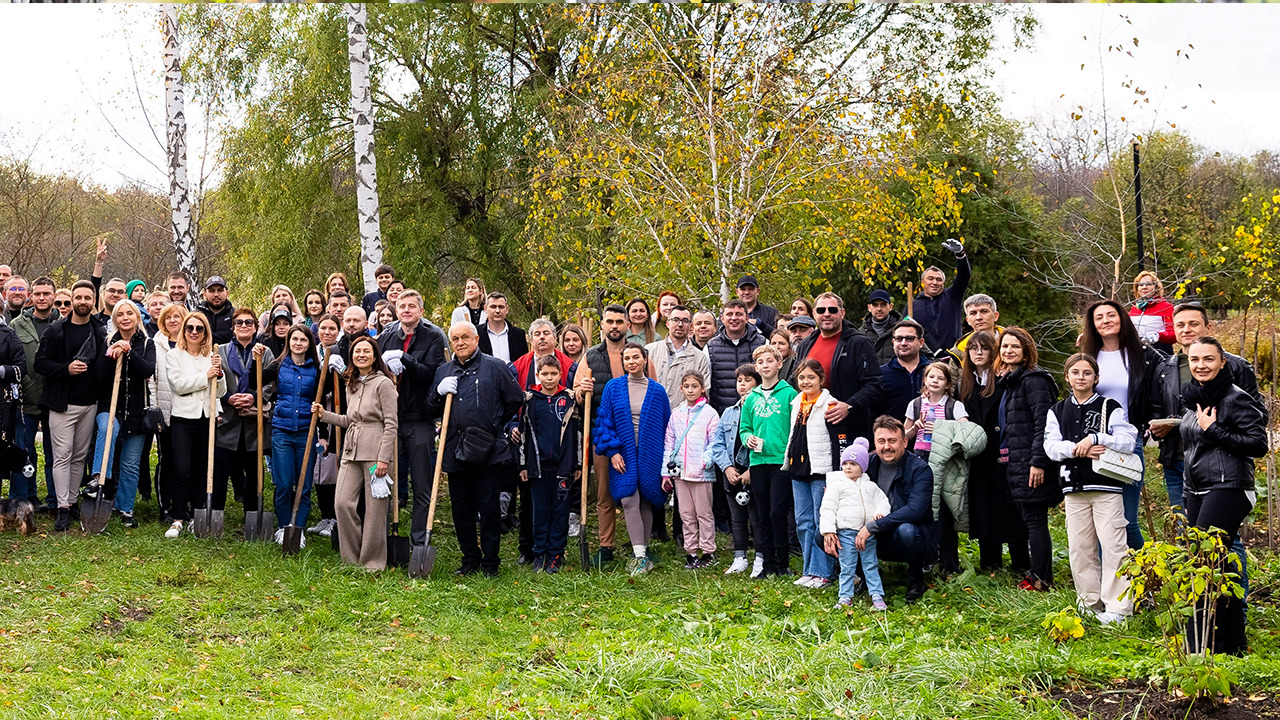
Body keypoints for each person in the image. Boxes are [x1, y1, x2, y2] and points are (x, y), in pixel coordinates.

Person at [1179, 336, 1266, 656]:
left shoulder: (1234, 398)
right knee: (1220, 566)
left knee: (1202, 562)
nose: (1201, 365)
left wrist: (1214, 430)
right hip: (1198, 489)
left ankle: (1199, 646)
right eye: (1195, 360)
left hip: (1229, 487)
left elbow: (1258, 444)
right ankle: (1231, 644)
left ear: (1222, 362)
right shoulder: (1193, 398)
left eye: (1209, 359)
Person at [1044, 353, 1138, 625]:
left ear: (1096, 378)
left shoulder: (1110, 406)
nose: (1081, 377)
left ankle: (1118, 608)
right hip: (1073, 488)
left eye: (1087, 373)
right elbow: (1051, 447)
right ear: (1067, 377)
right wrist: (1078, 448)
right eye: (1075, 372)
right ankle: (1089, 602)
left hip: (1107, 486)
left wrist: (1098, 437)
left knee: (1113, 547)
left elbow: (1127, 440)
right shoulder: (1058, 410)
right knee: (1080, 548)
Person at [428, 321, 523, 577]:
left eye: (465, 337)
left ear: (476, 339)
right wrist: (438, 392)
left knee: (489, 508)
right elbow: (431, 408)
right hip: (455, 449)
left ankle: (491, 562)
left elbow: (514, 399)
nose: (459, 342)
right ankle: (470, 559)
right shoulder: (444, 371)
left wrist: (495, 426)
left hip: (488, 451)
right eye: (455, 338)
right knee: (461, 509)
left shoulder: (495, 367)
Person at [1081, 299, 1165, 551]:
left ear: (1122, 319)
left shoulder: (1144, 355)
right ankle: (1109, 583)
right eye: (1099, 317)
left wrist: (1154, 422)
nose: (1106, 321)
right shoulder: (1087, 357)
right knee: (1099, 521)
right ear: (1093, 325)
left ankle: (1146, 580)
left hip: (1128, 441)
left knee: (1126, 520)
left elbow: (1157, 393)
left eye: (1111, 315)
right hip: (1092, 441)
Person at [314, 335, 398, 570]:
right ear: (351, 356)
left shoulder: (384, 383)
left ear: (374, 356)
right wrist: (324, 415)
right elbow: (349, 419)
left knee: (374, 511)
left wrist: (384, 458)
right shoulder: (352, 383)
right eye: (357, 351)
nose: (361, 355)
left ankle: (372, 562)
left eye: (366, 351)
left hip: (375, 453)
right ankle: (350, 560)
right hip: (351, 451)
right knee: (342, 503)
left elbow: (391, 423)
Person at [508, 318, 588, 564]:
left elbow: (577, 426)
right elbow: (512, 407)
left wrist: (577, 464)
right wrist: (512, 426)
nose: (542, 338)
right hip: (534, 457)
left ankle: (556, 553)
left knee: (559, 510)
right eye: (537, 334)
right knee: (533, 508)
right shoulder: (520, 375)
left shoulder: (571, 371)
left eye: (547, 333)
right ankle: (532, 551)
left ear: (555, 338)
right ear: (530, 339)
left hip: (563, 461)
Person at [593, 342, 672, 576]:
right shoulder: (613, 387)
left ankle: (643, 552)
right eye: (627, 358)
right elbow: (604, 422)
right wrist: (613, 452)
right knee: (628, 498)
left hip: (651, 453)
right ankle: (639, 556)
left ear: (645, 360)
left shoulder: (657, 391)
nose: (631, 362)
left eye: (636, 357)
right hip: (622, 453)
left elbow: (666, 426)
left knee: (646, 499)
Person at [378, 290, 447, 545]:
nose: (406, 310)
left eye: (411, 306)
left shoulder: (433, 337)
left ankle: (420, 540)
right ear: (396, 311)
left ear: (421, 311)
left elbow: (431, 374)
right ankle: (383, 536)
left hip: (419, 418)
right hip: (390, 419)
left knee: (421, 483)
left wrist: (404, 358)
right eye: (401, 306)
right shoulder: (386, 336)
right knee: (384, 479)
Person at [36, 280, 104, 532]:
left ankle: (73, 501)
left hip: (90, 404)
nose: (83, 301)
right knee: (62, 456)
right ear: (71, 300)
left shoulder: (99, 330)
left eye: (88, 297)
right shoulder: (55, 331)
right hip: (62, 405)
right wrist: (66, 369)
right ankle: (62, 508)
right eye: (79, 297)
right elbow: (40, 364)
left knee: (78, 457)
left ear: (93, 301)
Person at [996, 327, 1060, 592]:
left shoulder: (1034, 380)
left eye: (1015, 346)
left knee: (1036, 521)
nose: (1008, 350)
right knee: (1030, 519)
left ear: (1026, 351)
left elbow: (1043, 424)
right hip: (1018, 462)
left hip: (1032, 462)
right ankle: (1040, 575)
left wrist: (1038, 462)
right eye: (1004, 346)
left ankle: (1040, 580)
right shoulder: (1013, 381)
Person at [957, 330, 1027, 573]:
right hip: (978, 456)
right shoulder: (964, 384)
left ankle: (1021, 563)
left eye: (984, 348)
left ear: (993, 352)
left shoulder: (1004, 379)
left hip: (1004, 451)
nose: (978, 353)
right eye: (973, 348)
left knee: (1009, 507)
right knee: (983, 507)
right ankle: (990, 565)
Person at [89, 301, 156, 528]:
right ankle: (98, 478)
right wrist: (112, 352)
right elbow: (98, 376)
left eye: (130, 314)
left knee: (130, 463)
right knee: (107, 428)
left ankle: (125, 507)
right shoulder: (105, 340)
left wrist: (128, 352)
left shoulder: (147, 343)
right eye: (120, 315)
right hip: (110, 407)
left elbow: (147, 370)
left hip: (136, 412)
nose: (125, 318)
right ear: (115, 319)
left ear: (137, 317)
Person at [163, 312, 228, 538]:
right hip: (183, 419)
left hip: (206, 419)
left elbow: (221, 392)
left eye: (199, 329)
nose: (193, 332)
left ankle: (196, 515)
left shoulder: (211, 356)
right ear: (184, 331)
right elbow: (178, 385)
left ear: (205, 333)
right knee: (182, 469)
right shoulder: (174, 356)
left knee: (202, 469)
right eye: (190, 328)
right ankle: (178, 517)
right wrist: (206, 377)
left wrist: (218, 375)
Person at [255, 324, 322, 545]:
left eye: (303, 340)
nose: (298, 343)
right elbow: (253, 380)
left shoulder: (316, 370)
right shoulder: (279, 365)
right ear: (288, 342)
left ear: (309, 343)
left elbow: (331, 391)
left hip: (306, 432)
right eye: (295, 340)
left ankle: (298, 529)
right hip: (282, 431)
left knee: (303, 485)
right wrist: (255, 362)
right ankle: (284, 526)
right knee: (284, 483)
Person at [791, 292, 883, 443]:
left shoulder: (859, 343)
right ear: (814, 314)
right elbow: (794, 382)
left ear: (842, 313)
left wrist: (849, 406)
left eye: (832, 310)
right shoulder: (805, 345)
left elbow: (874, 385)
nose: (826, 314)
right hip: (810, 428)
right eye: (821, 310)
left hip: (848, 429)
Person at [739, 344, 798, 578]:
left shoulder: (789, 394)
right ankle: (766, 563)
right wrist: (748, 439)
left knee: (777, 513)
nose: (765, 366)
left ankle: (782, 562)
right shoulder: (750, 398)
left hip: (781, 462)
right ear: (756, 367)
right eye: (761, 362)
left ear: (779, 364)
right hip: (758, 462)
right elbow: (744, 428)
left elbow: (795, 427)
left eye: (769, 361)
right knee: (762, 514)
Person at [782, 358, 841, 589]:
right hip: (798, 468)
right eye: (802, 378)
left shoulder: (830, 404)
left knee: (821, 522)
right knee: (803, 521)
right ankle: (809, 569)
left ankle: (823, 571)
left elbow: (838, 441)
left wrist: (835, 475)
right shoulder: (797, 402)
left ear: (821, 380)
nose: (806, 382)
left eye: (811, 377)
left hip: (821, 471)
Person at [862, 416, 933, 602]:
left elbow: (915, 510)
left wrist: (873, 526)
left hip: (906, 537)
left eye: (892, 441)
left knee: (907, 530)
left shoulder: (920, 469)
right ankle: (866, 576)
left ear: (905, 441)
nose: (887, 447)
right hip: (875, 536)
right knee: (824, 536)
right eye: (881, 441)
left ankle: (916, 579)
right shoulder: (866, 466)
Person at [582, 305, 630, 564]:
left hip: (633, 432)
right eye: (610, 321)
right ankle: (606, 545)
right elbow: (577, 392)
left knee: (636, 490)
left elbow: (653, 387)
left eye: (619, 321)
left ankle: (639, 544)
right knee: (604, 494)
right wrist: (582, 389)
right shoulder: (590, 356)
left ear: (627, 326)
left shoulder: (638, 354)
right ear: (602, 325)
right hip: (602, 433)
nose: (614, 326)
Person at [821, 439, 890, 611]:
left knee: (871, 564)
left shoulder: (871, 487)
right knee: (847, 566)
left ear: (863, 466)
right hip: (845, 533)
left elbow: (883, 502)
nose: (848, 467)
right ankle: (845, 596)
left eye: (853, 463)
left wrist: (879, 514)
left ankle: (876, 594)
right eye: (845, 463)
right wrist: (829, 530)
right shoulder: (837, 486)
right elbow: (827, 508)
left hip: (867, 533)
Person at [216, 308, 273, 514]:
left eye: (249, 323)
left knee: (253, 469)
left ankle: (252, 513)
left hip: (253, 420)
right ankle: (216, 512)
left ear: (256, 327)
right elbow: (214, 380)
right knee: (221, 467)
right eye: (239, 323)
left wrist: (253, 397)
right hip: (227, 420)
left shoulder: (264, 352)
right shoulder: (219, 351)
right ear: (233, 328)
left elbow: (270, 381)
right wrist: (228, 397)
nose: (244, 326)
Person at [661, 371, 720, 569]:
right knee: (686, 514)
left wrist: (706, 460)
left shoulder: (710, 413)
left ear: (702, 388)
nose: (691, 390)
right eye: (687, 386)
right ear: (681, 389)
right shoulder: (676, 414)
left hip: (701, 473)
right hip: (681, 473)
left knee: (704, 513)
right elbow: (669, 443)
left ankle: (709, 550)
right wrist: (666, 472)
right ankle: (691, 551)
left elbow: (715, 442)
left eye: (695, 386)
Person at [708, 364, 762, 576]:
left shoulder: (761, 411)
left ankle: (760, 557)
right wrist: (727, 468)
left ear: (757, 383)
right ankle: (740, 556)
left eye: (748, 380)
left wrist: (752, 470)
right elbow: (718, 443)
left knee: (756, 516)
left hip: (753, 471)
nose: (743, 385)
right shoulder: (728, 413)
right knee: (736, 517)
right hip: (732, 472)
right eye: (740, 381)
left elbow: (763, 440)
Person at [11, 276, 56, 509]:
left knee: (55, 454)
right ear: (31, 296)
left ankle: (55, 499)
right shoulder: (17, 325)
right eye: (37, 293)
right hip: (25, 401)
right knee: (25, 453)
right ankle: (27, 498)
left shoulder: (63, 323)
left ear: (54, 296)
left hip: (56, 400)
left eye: (46, 293)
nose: (41, 297)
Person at [152, 303, 185, 523]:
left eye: (177, 317)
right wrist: (155, 409)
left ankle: (184, 503)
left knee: (186, 461)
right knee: (167, 459)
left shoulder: (193, 343)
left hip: (188, 412)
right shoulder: (156, 344)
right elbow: (151, 380)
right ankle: (165, 505)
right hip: (165, 410)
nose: (173, 321)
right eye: (168, 317)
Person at [647, 306, 711, 411]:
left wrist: (680, 412)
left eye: (685, 321)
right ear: (668, 323)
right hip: (653, 415)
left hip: (685, 418)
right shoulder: (650, 350)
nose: (680, 325)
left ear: (691, 326)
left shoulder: (699, 357)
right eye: (675, 320)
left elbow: (705, 390)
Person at [913, 238, 970, 350]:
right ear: (922, 282)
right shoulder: (912, 306)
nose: (935, 282)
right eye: (930, 279)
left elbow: (964, 276)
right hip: (923, 358)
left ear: (943, 283)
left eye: (939, 279)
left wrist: (960, 254)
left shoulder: (952, 297)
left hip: (951, 357)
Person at [879, 319, 930, 420]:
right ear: (893, 342)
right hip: (892, 434)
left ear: (921, 342)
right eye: (898, 339)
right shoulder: (881, 374)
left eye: (909, 338)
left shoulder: (933, 373)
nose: (903, 343)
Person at [1129, 271, 1175, 354]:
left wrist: (1158, 336)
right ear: (1137, 289)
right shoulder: (1133, 309)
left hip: (1161, 355)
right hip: (1137, 355)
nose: (1144, 287)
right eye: (1140, 285)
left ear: (1156, 287)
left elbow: (1175, 334)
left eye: (1149, 284)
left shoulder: (1166, 307)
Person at [948, 294, 1004, 362]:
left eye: (984, 311)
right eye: (973, 313)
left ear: (995, 316)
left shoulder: (1014, 341)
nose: (979, 317)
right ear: (968, 320)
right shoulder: (960, 350)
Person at [477, 292, 527, 364]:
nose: (497, 311)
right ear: (485, 309)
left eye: (501, 307)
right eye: (493, 307)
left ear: (507, 309)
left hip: (512, 374)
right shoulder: (477, 333)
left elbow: (524, 362)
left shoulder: (519, 334)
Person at [860, 289, 903, 363]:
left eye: (883, 304)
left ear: (890, 307)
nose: (879, 309)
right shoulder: (861, 334)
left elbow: (928, 356)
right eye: (875, 305)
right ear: (869, 307)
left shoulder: (904, 331)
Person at [198, 276, 234, 345]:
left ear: (227, 293)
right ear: (205, 294)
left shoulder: (235, 315)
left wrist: (206, 336)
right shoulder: (197, 315)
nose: (216, 294)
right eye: (211, 291)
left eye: (220, 290)